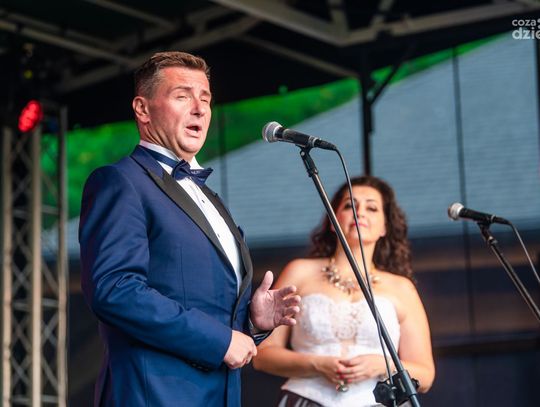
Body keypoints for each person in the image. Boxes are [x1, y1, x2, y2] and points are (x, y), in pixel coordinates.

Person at [79, 51, 301, 407]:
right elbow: (115, 290)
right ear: (143, 109)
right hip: (154, 395)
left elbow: (203, 302)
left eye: (206, 99)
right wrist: (219, 340)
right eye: (183, 96)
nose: (199, 109)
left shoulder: (209, 197)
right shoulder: (120, 181)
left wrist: (252, 322)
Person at [253, 175, 435, 407]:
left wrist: (383, 364)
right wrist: (317, 364)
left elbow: (426, 375)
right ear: (333, 221)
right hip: (306, 399)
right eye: (350, 206)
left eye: (372, 208)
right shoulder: (299, 272)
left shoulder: (402, 287)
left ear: (384, 227)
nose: (360, 213)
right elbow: (263, 355)